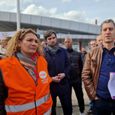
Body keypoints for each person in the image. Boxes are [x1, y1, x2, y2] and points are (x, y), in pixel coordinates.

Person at [0, 28, 52, 115]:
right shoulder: (4, 65)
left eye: (36, 41)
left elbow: (45, 86)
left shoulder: (42, 61)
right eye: (29, 40)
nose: (34, 43)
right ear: (19, 43)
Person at [82, 19, 115, 115]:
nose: (108, 32)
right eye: (105, 30)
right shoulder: (92, 52)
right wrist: (93, 96)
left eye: (111, 29)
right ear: (101, 33)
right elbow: (85, 75)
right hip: (100, 100)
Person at [43, 30, 72, 115]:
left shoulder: (63, 51)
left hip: (64, 84)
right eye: (49, 38)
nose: (52, 40)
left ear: (56, 38)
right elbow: (41, 71)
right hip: (50, 86)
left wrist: (65, 74)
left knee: (67, 107)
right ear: (46, 41)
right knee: (52, 109)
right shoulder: (43, 53)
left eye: (54, 38)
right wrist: (50, 78)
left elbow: (68, 65)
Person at [64, 37, 85, 115]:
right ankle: (70, 112)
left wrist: (80, 78)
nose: (67, 43)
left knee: (80, 96)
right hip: (67, 80)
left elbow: (82, 66)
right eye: (66, 42)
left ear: (72, 42)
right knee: (67, 98)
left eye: (69, 42)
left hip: (77, 80)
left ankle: (82, 111)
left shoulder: (78, 54)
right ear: (64, 43)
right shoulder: (62, 54)